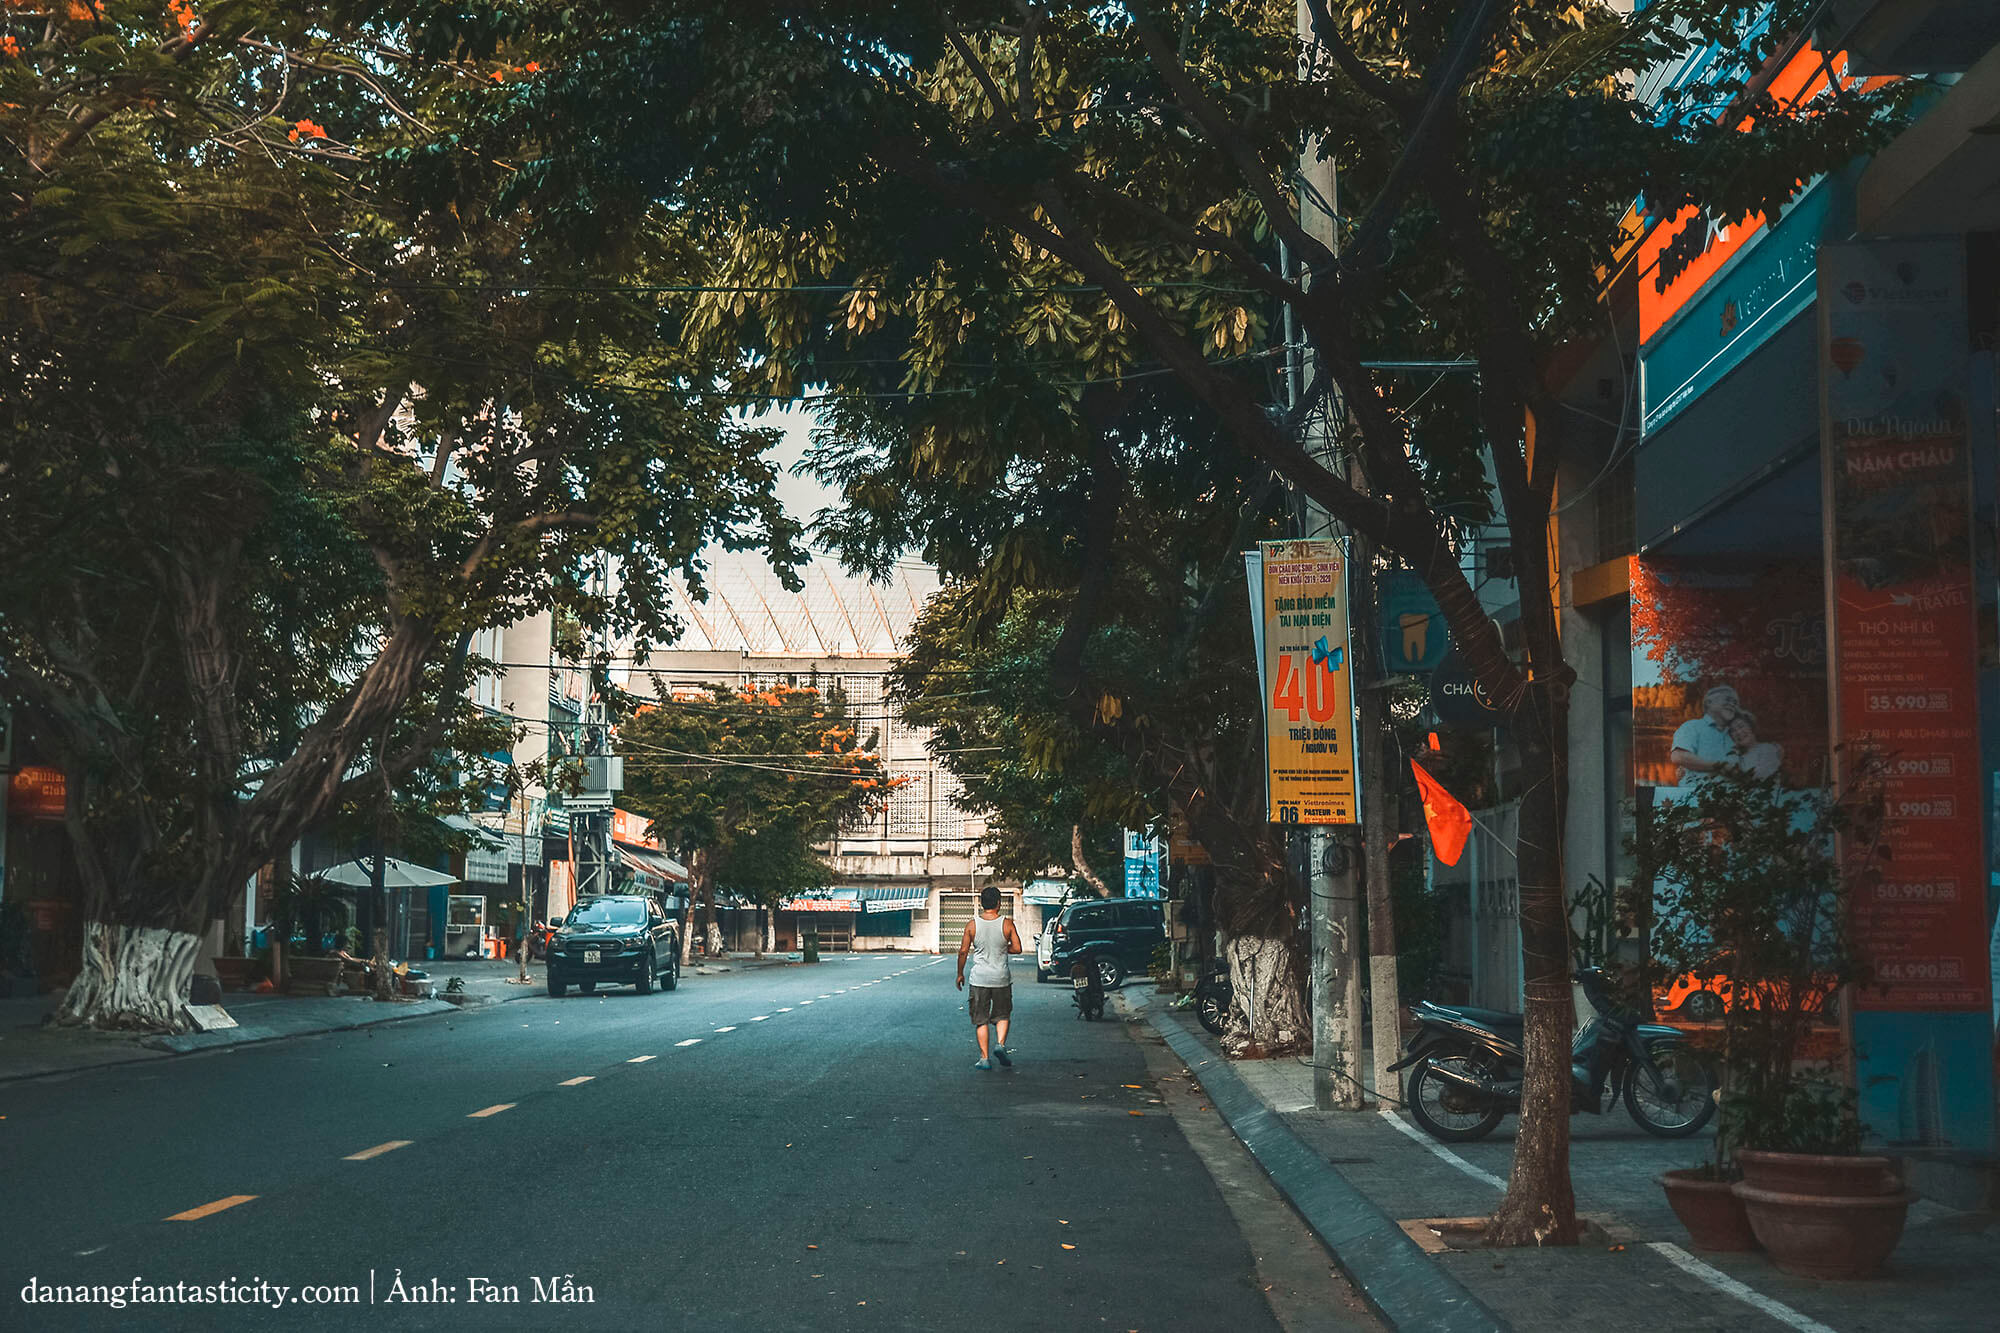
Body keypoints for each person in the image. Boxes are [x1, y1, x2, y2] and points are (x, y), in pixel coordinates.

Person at [956, 885, 1022, 1070]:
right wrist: (1002, 947)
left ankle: (984, 1058)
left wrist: (960, 974)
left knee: (981, 1019)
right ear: (999, 903)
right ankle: (1000, 1044)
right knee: (1003, 1014)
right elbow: (1017, 948)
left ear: (982, 904)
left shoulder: (972, 924)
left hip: (979, 979)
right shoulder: (1007, 924)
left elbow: (963, 952)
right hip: (1001, 978)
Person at [1669, 684, 1740, 789]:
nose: (1732, 704)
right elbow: (1678, 756)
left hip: (1731, 800)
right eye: (1728, 699)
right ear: (1709, 703)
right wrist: (1720, 766)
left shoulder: (1736, 734)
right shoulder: (1692, 726)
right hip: (1696, 799)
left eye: (1735, 702)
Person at [1726, 710, 1784, 781]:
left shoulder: (1767, 748)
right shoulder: (1737, 756)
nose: (1738, 732)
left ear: (1751, 727)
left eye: (1741, 726)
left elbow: (1762, 776)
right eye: (1733, 730)